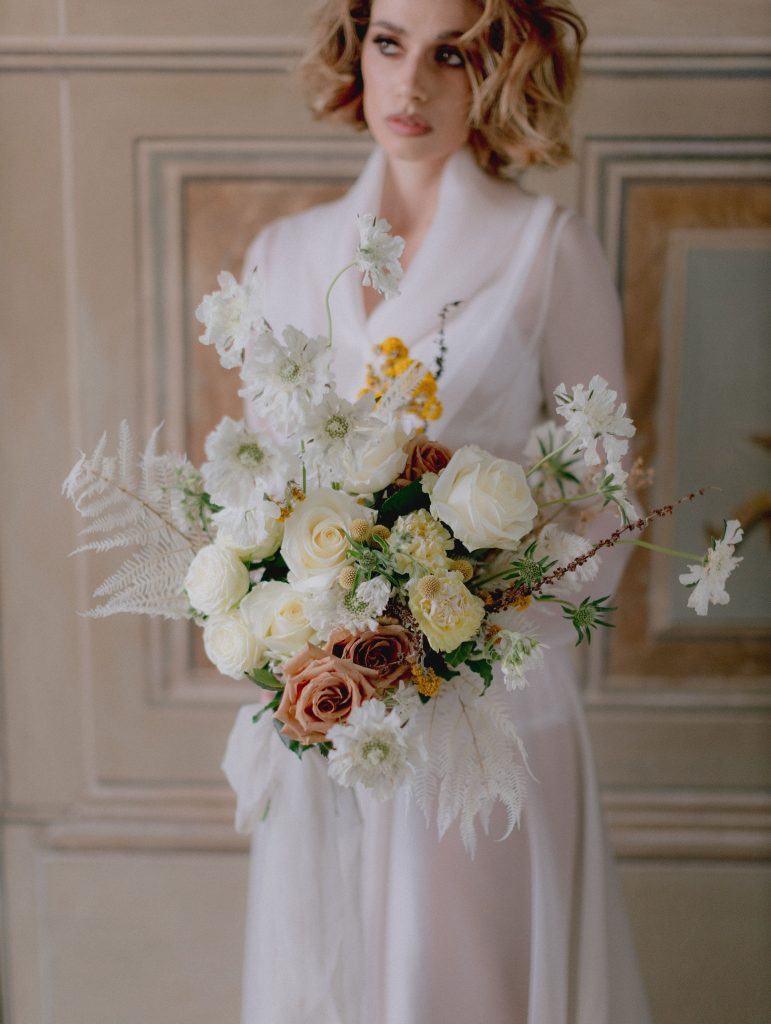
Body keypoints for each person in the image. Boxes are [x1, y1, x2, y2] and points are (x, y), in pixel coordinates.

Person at [223, 1, 653, 1021]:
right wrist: (283, 616)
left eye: (448, 53)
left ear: (497, 70)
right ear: (357, 49)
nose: (411, 85)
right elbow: (259, 501)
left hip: (485, 719)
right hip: (325, 710)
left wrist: (456, 621)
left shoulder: (546, 247)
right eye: (390, 43)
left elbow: (608, 505)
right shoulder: (285, 254)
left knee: (461, 986)